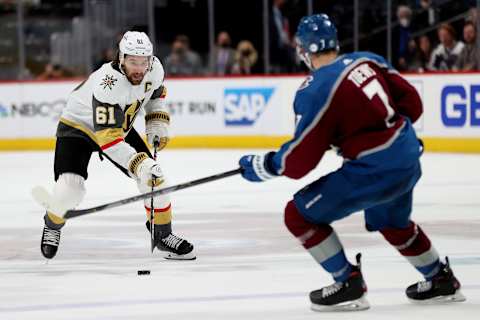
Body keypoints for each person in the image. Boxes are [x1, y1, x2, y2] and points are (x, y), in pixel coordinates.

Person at [238, 14, 465, 311]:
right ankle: (439, 278)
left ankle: (347, 282)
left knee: (298, 215)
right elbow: (413, 104)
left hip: (375, 170)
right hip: (407, 156)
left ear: (304, 50)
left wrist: (265, 165)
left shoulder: (316, 89)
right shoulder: (367, 60)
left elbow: (299, 161)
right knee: (391, 221)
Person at [40, 31, 195, 261]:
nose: (139, 69)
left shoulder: (155, 69)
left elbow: (155, 94)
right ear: (121, 58)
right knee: (69, 189)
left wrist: (156, 121)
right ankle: (52, 223)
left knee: (154, 179)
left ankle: (162, 234)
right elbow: (109, 140)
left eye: (144, 61)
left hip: (116, 125)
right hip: (79, 127)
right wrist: (138, 164)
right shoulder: (107, 83)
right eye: (133, 61)